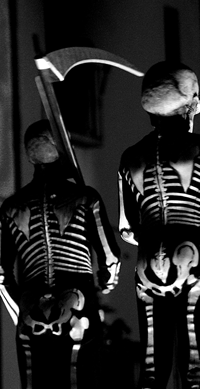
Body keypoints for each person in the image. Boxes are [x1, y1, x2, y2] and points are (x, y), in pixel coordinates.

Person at [0, 119, 121, 389]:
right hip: (77, 306)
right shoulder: (86, 198)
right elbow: (110, 258)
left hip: (31, 312)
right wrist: (108, 281)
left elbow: (0, 277)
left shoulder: (10, 208)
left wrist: (22, 310)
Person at [118, 60, 200, 389]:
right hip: (194, 257)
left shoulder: (130, 157)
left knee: (153, 363)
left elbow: (128, 228)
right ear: (188, 104)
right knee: (196, 358)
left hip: (146, 264)